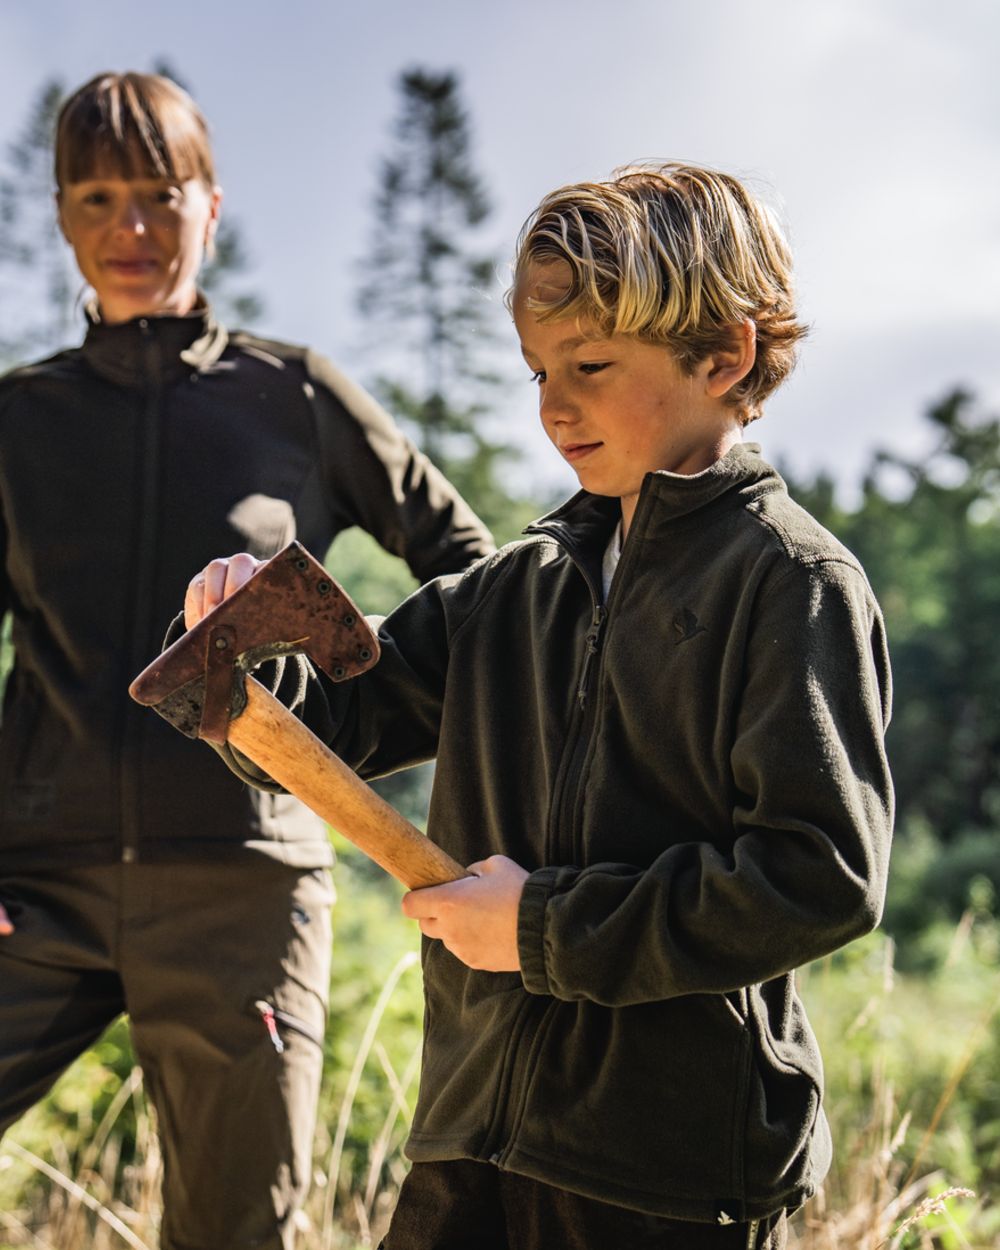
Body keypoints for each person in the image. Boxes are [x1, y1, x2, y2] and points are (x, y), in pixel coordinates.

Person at [187, 163, 894, 1250]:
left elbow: (817, 877)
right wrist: (246, 659)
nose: (553, 405)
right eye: (535, 372)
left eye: (591, 364)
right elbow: (333, 728)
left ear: (725, 355)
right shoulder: (513, 588)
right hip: (469, 1134)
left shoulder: (788, 583)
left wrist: (542, 927)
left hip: (661, 1166)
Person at [0, 71, 493, 1250]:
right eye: (99, 197)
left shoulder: (296, 395)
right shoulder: (17, 421)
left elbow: (478, 572)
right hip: (35, 887)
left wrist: (349, 704)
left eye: (160, 195)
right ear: (62, 213)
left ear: (210, 205)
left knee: (235, 1232)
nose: (131, 229)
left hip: (244, 886)